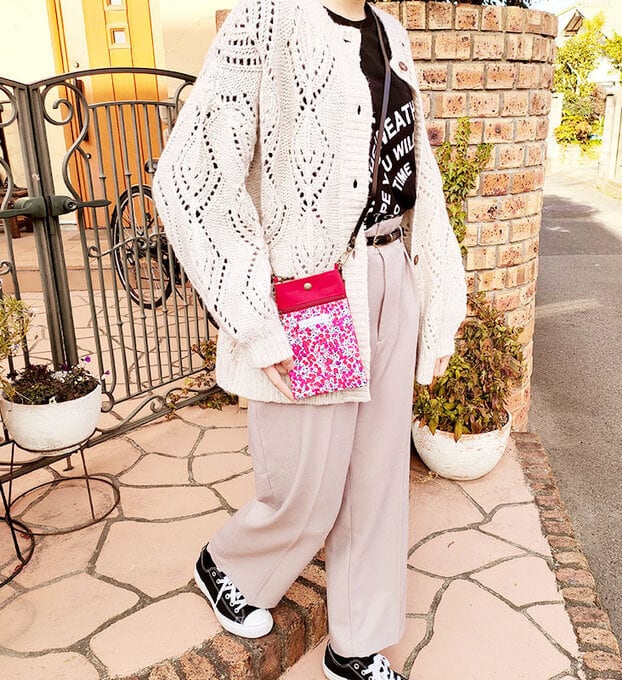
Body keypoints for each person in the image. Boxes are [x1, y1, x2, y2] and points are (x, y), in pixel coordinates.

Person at [152, 0, 467, 678]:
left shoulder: (390, 32)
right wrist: (252, 315)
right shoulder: (268, 20)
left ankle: (357, 645)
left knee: (379, 478)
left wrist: (439, 299)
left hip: (391, 271)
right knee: (308, 480)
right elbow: (191, 178)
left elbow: (422, 176)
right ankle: (230, 563)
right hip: (314, 292)